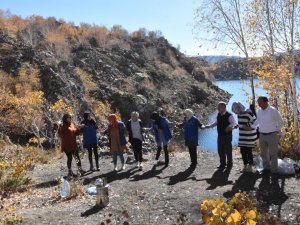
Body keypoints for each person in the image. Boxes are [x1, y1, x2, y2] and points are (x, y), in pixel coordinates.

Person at [250, 96, 283, 174]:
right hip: (262, 135)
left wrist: (277, 130)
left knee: (273, 154)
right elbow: (258, 121)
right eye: (258, 103)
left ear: (266, 102)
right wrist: (252, 127)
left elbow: (280, 121)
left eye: (260, 103)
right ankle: (266, 169)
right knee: (264, 153)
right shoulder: (259, 111)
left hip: (272, 135)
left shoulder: (273, 110)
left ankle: (274, 171)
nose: (259, 104)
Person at [205, 102, 237, 169]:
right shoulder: (219, 114)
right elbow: (216, 122)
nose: (218, 108)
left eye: (219, 107)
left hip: (227, 136)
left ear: (224, 107)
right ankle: (222, 164)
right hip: (220, 135)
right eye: (218, 107)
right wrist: (209, 126)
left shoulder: (229, 115)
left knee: (228, 150)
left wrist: (229, 126)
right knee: (220, 150)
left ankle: (229, 164)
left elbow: (234, 123)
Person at [232, 102, 257, 173]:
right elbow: (241, 124)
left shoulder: (249, 113)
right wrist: (237, 125)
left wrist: (248, 126)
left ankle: (250, 167)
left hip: (249, 137)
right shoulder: (239, 116)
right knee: (242, 151)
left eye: (235, 110)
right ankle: (245, 166)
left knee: (249, 152)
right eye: (234, 111)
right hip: (242, 136)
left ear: (239, 108)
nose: (235, 112)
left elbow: (255, 122)